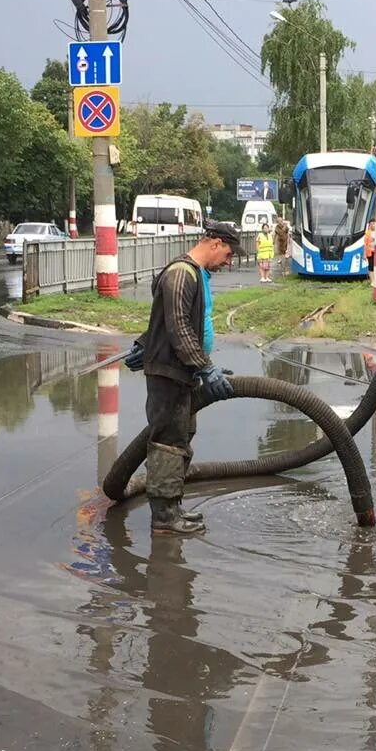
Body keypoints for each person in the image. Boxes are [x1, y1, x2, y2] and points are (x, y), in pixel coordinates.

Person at [123, 221, 246, 535]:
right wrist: (205, 368)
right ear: (215, 243)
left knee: (181, 437)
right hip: (169, 373)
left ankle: (172, 507)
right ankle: (164, 519)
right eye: (229, 254)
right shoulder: (182, 273)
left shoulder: (195, 274)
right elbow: (177, 326)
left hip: (183, 371)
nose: (228, 262)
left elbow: (177, 322)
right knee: (168, 444)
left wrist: (206, 364)